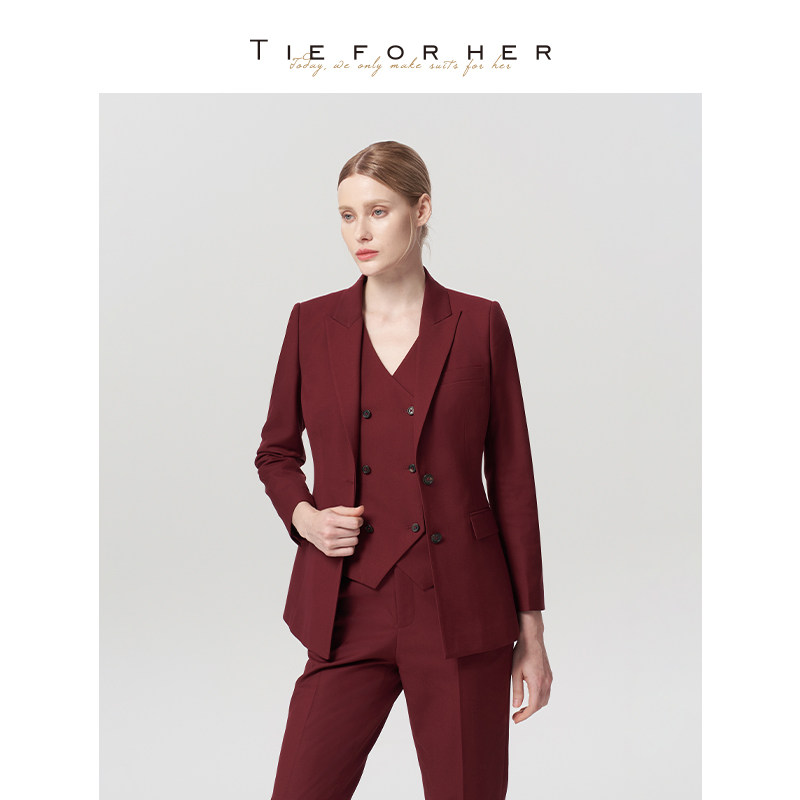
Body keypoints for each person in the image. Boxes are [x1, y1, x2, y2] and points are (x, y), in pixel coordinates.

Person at [254, 140, 552, 799]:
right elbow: (275, 452)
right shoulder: (310, 325)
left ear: (421, 210)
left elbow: (512, 478)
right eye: (346, 215)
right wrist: (305, 517)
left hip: (460, 609)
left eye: (378, 211)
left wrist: (531, 629)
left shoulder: (479, 323)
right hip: (347, 606)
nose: (359, 232)